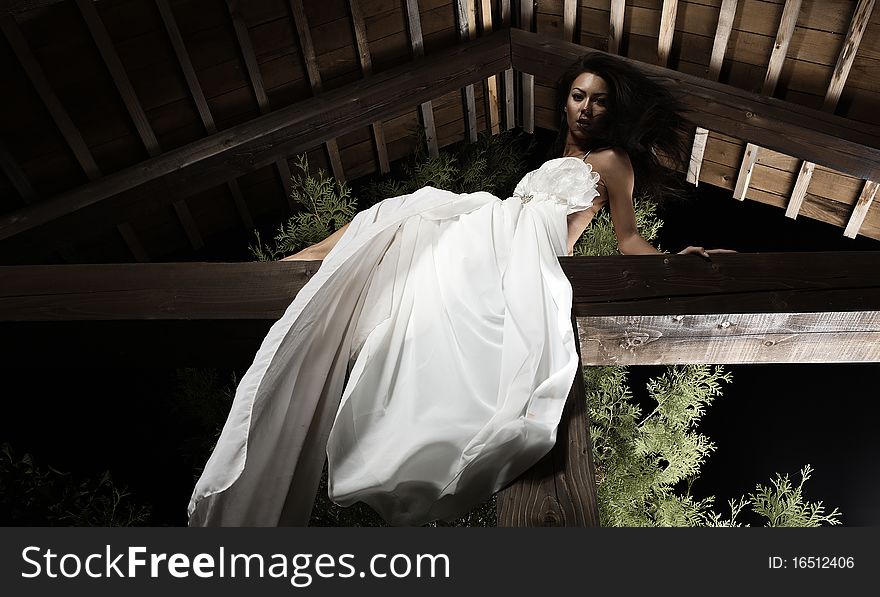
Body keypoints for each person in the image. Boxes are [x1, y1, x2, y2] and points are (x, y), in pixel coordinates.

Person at [188, 52, 728, 527]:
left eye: (600, 101)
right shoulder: (554, 159)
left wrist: (678, 259)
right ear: (564, 101)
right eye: (578, 95)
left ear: (615, 110)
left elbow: (629, 239)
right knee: (402, 216)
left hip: (525, 241)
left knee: (413, 217)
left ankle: (320, 270)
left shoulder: (612, 161)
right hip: (501, 227)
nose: (586, 108)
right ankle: (305, 262)